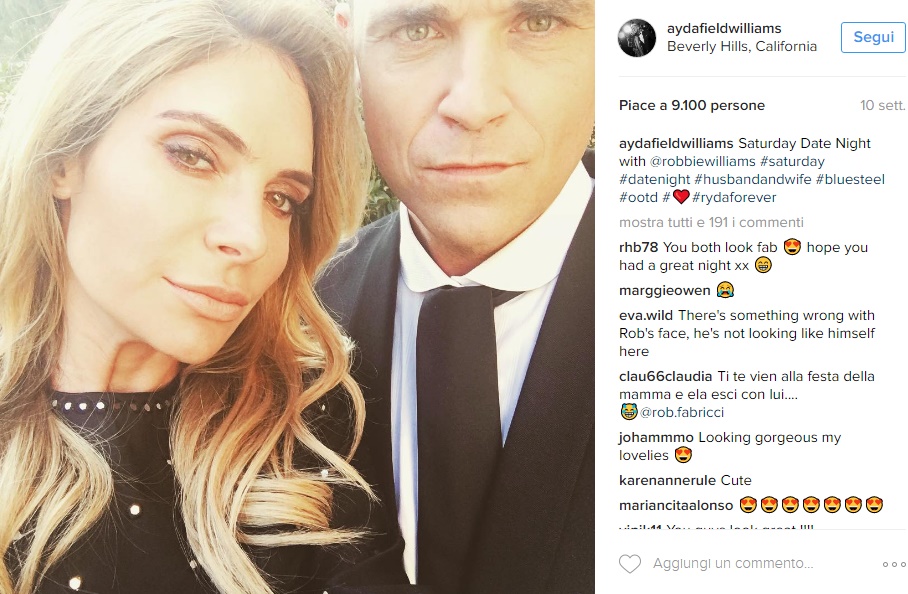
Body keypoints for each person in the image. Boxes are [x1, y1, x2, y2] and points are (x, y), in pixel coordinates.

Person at [0, 0, 420, 592]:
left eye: (281, 199)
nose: (251, 238)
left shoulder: (306, 430)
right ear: (64, 156)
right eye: (193, 156)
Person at [319, 1, 595, 592]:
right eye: (415, 29)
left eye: (539, 22)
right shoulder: (290, 323)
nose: (473, 105)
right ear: (349, 56)